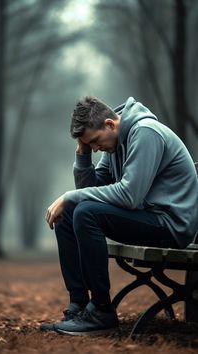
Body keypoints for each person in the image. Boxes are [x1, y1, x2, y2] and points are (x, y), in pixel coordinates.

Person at [41, 96, 198, 336]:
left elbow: (129, 196)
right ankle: (79, 307)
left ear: (110, 124)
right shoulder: (114, 143)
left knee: (82, 210)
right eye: (90, 145)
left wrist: (70, 196)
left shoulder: (146, 133)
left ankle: (101, 310)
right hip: (148, 217)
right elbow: (92, 189)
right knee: (69, 214)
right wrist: (83, 154)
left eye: (94, 141)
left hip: (170, 224)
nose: (95, 148)